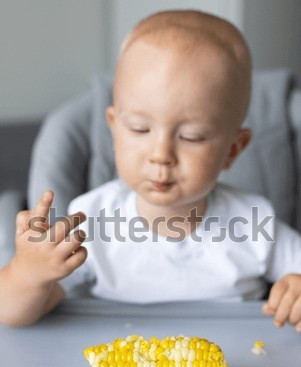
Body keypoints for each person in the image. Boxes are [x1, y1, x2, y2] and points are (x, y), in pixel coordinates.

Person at [1, 9, 301, 330]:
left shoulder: (255, 223)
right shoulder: (92, 221)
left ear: (233, 149)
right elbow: (11, 315)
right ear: (114, 129)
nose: (161, 155)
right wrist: (29, 273)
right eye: (140, 130)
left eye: (191, 137)